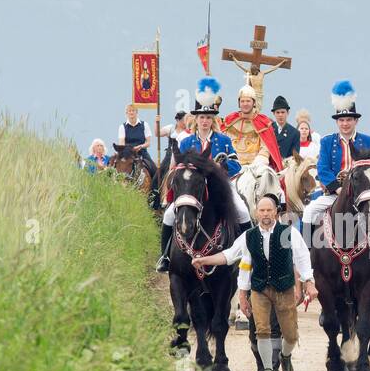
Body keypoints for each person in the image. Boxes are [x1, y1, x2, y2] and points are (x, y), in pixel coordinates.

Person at [192, 193, 316, 371]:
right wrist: (204, 260)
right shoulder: (248, 236)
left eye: (269, 210)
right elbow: (229, 256)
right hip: (259, 289)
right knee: (262, 331)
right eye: (262, 210)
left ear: (276, 212)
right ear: (256, 213)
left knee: (291, 336)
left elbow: (302, 258)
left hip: (283, 288)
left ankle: (285, 356)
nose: (266, 214)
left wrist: (308, 282)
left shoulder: (288, 232)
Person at [156, 77, 253, 274]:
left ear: (213, 120)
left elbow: (236, 164)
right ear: (196, 119)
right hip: (192, 190)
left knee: (242, 210)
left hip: (220, 187)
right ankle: (165, 256)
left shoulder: (224, 140)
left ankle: (249, 253)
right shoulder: (186, 142)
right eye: (202, 117)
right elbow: (179, 168)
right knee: (168, 214)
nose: (205, 121)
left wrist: (219, 168)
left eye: (209, 118)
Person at [301, 80, 370, 258]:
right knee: (310, 211)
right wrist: (338, 188)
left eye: (349, 120)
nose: (345, 124)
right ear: (337, 122)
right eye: (341, 120)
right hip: (335, 193)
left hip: (364, 192)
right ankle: (306, 257)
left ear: (356, 121)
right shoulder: (327, 142)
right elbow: (323, 169)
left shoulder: (369, 141)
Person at [219, 84, 282, 171]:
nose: (245, 104)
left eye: (248, 101)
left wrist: (255, 165)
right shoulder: (230, 121)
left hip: (255, 168)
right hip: (231, 167)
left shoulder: (263, 123)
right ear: (239, 103)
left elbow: (265, 149)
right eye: (242, 101)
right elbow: (222, 143)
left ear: (254, 102)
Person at [115, 103, 159, 185]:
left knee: (155, 170)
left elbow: (148, 143)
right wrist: (129, 150)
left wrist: (141, 146)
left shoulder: (144, 125)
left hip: (142, 152)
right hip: (128, 154)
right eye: (129, 111)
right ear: (126, 113)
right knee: (115, 168)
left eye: (133, 111)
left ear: (136, 112)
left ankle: (155, 192)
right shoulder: (122, 127)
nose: (131, 113)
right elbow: (122, 144)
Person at [270, 95, 300, 161]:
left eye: (283, 112)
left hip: (286, 168)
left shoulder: (294, 133)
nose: (280, 115)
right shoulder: (268, 129)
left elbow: (295, 156)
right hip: (268, 167)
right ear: (273, 113)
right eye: (278, 112)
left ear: (288, 113)